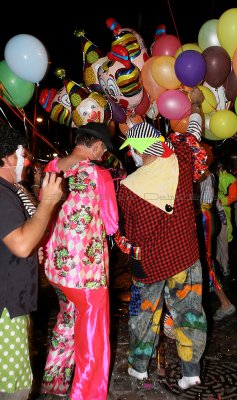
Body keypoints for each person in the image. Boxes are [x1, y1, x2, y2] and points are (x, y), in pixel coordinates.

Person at [116, 87, 207, 391]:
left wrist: (125, 247)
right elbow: (194, 130)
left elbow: (132, 237)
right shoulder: (181, 157)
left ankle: (140, 369)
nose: (132, 154)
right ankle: (191, 372)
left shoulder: (128, 187)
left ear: (141, 151)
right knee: (190, 314)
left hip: (150, 265)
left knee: (143, 316)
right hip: (184, 257)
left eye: (133, 149)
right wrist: (195, 104)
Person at [43, 122, 118, 400]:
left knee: (66, 322)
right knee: (93, 339)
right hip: (87, 274)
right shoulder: (99, 175)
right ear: (96, 145)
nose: (103, 154)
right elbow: (111, 223)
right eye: (103, 149)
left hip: (56, 267)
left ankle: (55, 385)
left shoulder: (53, 168)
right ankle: (86, 395)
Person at [0, 123, 63, 400]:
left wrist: (27, 249)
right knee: (14, 388)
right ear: (6, 157)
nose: (25, 162)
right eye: (21, 155)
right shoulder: (2, 194)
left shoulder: (8, 191)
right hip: (6, 309)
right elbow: (22, 244)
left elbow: (17, 242)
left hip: (11, 301)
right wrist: (48, 202)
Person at [197, 169, 236, 321]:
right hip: (204, 217)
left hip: (202, 219)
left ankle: (225, 303)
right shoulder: (207, 175)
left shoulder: (204, 175)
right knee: (203, 261)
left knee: (204, 262)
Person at [213, 159, 237, 277]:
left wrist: (220, 201)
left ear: (220, 168)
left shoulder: (230, 178)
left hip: (222, 211)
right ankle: (219, 263)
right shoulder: (212, 177)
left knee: (223, 239)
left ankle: (225, 266)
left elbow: (233, 196)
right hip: (214, 210)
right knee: (218, 239)